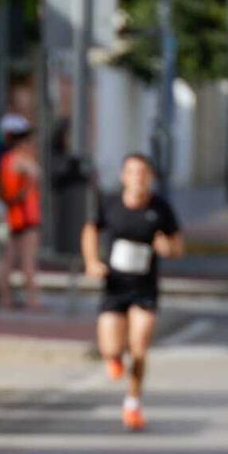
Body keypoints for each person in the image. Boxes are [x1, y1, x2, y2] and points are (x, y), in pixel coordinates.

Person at [82, 153, 184, 432]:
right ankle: (114, 358)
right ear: (123, 177)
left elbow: (178, 246)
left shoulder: (160, 208)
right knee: (111, 348)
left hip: (144, 287)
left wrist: (167, 248)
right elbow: (90, 230)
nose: (138, 178)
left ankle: (133, 403)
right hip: (115, 285)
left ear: (150, 177)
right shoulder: (111, 205)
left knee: (139, 346)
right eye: (132, 172)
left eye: (143, 173)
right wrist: (92, 261)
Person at [0, 115, 43, 310]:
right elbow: (35, 176)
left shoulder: (5, 160)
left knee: (7, 260)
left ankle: (5, 299)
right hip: (25, 216)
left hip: (11, 215)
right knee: (27, 260)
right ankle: (32, 300)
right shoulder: (21, 160)